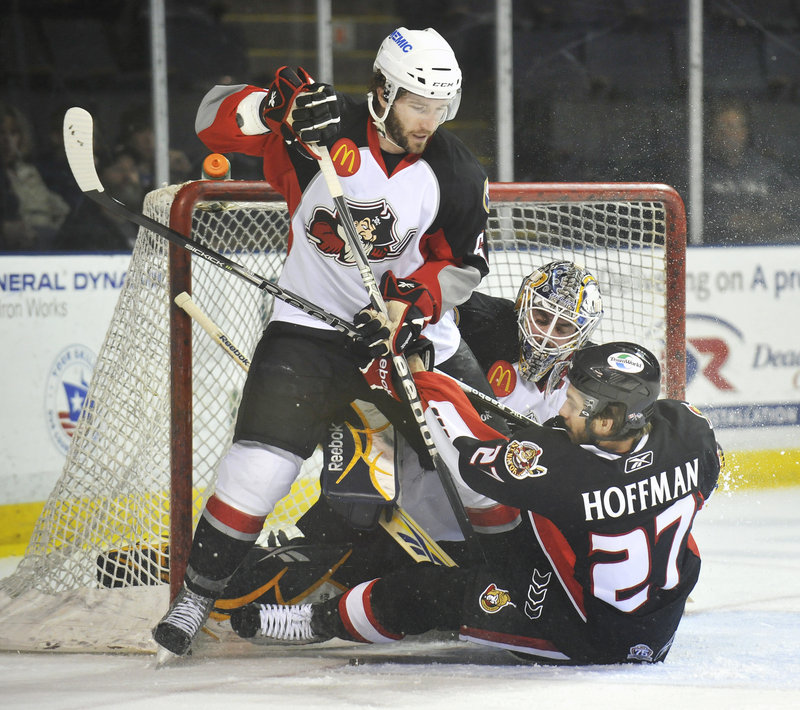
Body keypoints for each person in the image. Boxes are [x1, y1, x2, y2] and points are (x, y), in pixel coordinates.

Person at [153, 27, 490, 657]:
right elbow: (209, 121)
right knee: (259, 469)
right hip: (309, 332)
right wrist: (272, 109)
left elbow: (462, 265)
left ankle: (495, 585)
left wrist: (404, 307)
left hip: (411, 343)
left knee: (472, 470)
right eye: (419, 104)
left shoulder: (457, 172)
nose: (430, 121)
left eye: (441, 107)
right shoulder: (316, 135)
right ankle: (198, 594)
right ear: (383, 92)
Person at [231, 341, 722, 666]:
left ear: (612, 421)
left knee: (435, 591)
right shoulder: (688, 431)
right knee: (530, 526)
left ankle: (316, 622)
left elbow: (468, 451)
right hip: (659, 623)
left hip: (584, 635)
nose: (565, 410)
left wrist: (414, 379)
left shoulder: (566, 473)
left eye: (576, 407)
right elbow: (703, 477)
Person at [703, 97, 799, 245]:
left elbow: (791, 203)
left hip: (767, 246)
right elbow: (693, 215)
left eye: (733, 127)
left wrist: (764, 220)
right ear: (712, 133)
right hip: (715, 246)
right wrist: (727, 222)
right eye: (722, 127)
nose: (728, 133)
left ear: (745, 132)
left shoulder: (767, 168)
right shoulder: (698, 172)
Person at [0, 102, 70, 251]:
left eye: (13, 133)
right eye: (1, 133)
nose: (7, 141)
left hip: (48, 240)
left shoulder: (31, 171)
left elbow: (58, 208)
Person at [53, 147, 142, 251]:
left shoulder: (142, 224)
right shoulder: (82, 228)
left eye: (132, 169)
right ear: (98, 177)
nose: (128, 176)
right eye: (118, 169)